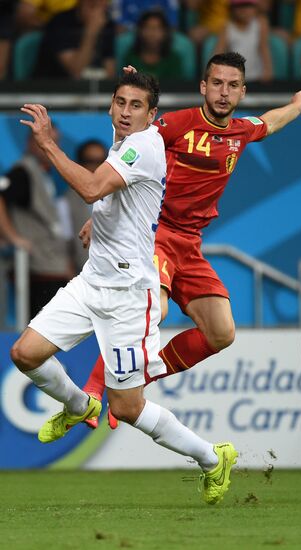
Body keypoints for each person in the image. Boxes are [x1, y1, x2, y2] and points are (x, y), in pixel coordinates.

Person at [10, 71, 238, 505]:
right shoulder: (123, 139)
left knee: (128, 407)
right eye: (120, 102)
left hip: (131, 294)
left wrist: (48, 144)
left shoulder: (146, 145)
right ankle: (80, 406)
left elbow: (93, 188)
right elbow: (112, 195)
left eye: (136, 106)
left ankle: (212, 458)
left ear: (154, 116)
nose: (125, 111)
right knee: (24, 353)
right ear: (111, 106)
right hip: (93, 280)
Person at [82, 52, 301, 430]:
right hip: (155, 233)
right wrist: (104, 214)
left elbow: (270, 122)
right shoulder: (175, 124)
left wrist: (298, 104)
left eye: (232, 85)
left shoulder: (240, 131)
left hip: (190, 243)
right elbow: (126, 153)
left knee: (221, 332)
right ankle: (93, 388)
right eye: (216, 83)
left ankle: (134, 383)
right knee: (155, 310)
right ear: (203, 87)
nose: (223, 92)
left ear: (242, 91)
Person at [0, 127, 72, 319]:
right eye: (46, 141)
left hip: (51, 266)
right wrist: (13, 237)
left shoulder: (43, 174)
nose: (50, 147)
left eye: (55, 142)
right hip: (36, 270)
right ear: (31, 143)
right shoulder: (22, 172)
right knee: (41, 333)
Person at [32, 0, 115, 79]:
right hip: (53, 87)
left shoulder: (106, 24)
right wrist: (91, 31)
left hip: (91, 88)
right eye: (92, 5)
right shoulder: (60, 23)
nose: (97, 10)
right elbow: (76, 71)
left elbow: (110, 73)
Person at [67, 140, 107, 272]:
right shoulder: (67, 201)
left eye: (101, 161)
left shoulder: (121, 196)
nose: (96, 167)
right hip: (81, 275)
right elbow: (63, 243)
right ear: (79, 164)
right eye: (90, 161)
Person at [214, 0, 273, 82]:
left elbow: (264, 48)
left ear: (255, 8)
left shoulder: (261, 24)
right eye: (240, 6)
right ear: (232, 9)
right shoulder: (227, 28)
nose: (244, 10)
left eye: (248, 6)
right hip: (233, 79)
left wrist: (267, 70)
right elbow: (218, 53)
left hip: (257, 78)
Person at [122, 10, 188, 80]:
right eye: (147, 27)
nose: (152, 33)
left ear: (165, 32)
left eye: (157, 28)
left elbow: (177, 88)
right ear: (140, 31)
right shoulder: (131, 57)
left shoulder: (174, 59)